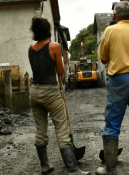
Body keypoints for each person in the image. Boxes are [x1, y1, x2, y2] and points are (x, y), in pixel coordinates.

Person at [28, 17, 91, 175]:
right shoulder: (54, 46)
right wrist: (61, 60)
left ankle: (45, 166)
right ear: (48, 30)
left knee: (41, 131)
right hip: (50, 91)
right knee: (62, 129)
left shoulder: (31, 48)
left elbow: (37, 70)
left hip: (34, 91)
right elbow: (61, 72)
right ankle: (72, 169)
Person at [96, 1, 129, 175]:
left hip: (120, 78)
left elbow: (103, 59)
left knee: (112, 123)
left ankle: (110, 170)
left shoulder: (110, 31)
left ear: (115, 16)